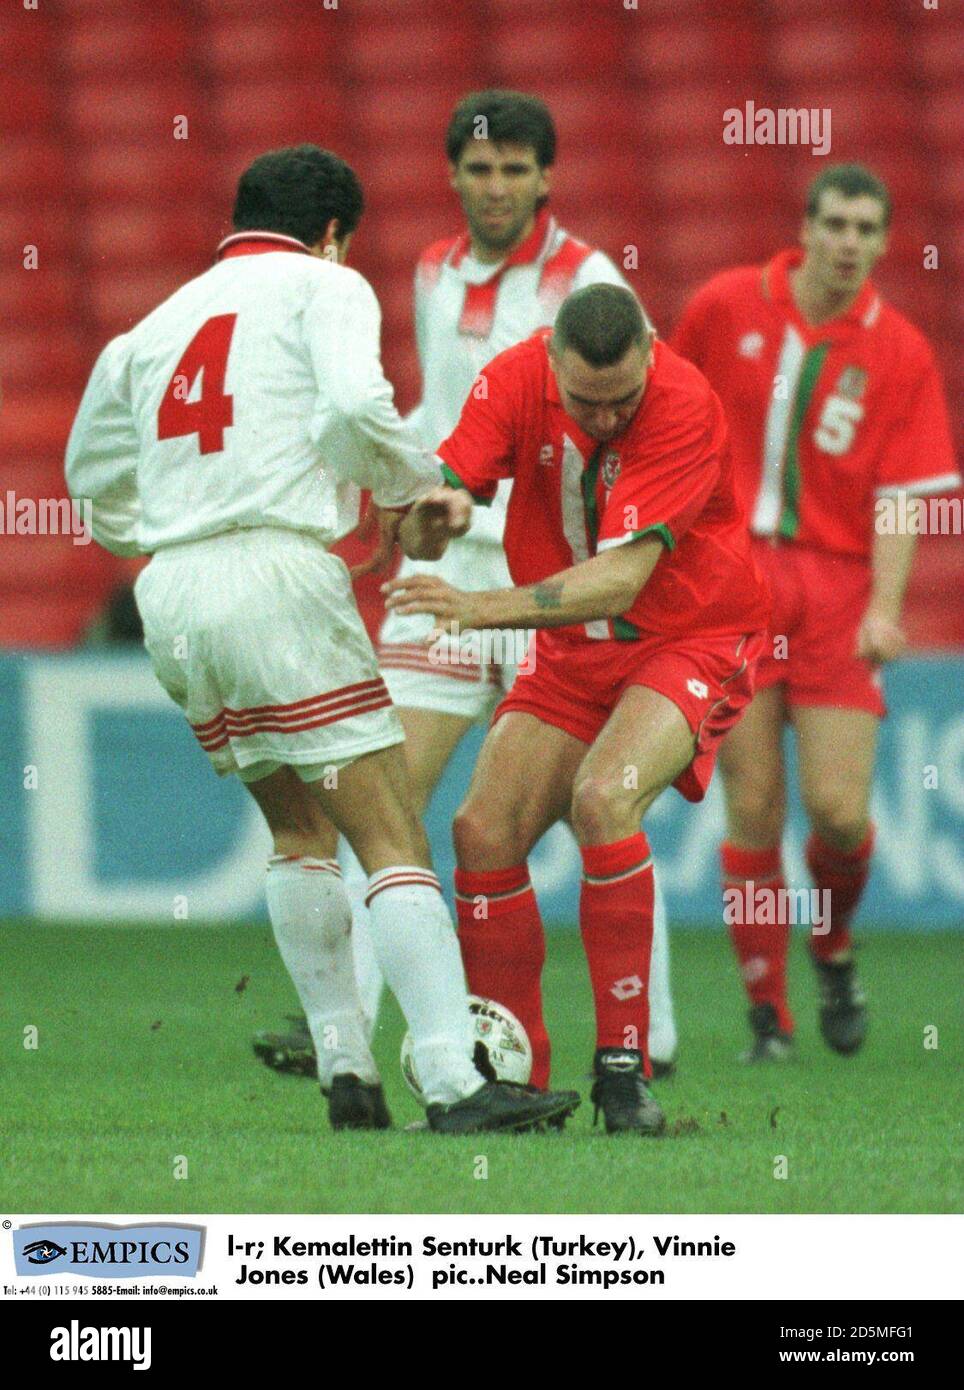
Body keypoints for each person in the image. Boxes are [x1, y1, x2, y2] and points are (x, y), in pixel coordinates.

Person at [65, 143, 579, 1136]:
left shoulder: (152, 325)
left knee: (296, 829)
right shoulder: (323, 287)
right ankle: (452, 1079)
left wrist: (167, 531)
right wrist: (408, 486)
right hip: (277, 576)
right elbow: (351, 404)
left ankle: (347, 1073)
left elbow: (91, 475)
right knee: (389, 831)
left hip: (174, 591)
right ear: (335, 232)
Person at [254, 90, 679, 1085]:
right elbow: (439, 409)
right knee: (384, 796)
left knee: (595, 806)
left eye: (515, 169)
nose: (496, 186)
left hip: (549, 587)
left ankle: (646, 1034)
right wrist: (389, 506)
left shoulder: (592, 278)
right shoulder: (430, 270)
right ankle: (347, 1027)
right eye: (479, 169)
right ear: (452, 175)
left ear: (547, 178)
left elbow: (629, 414)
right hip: (445, 574)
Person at [384, 283, 770, 1133]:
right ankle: (514, 1080)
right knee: (481, 830)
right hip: (575, 650)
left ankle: (624, 1076)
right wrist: (434, 518)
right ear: (551, 360)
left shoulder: (684, 405)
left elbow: (621, 578)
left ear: (650, 353)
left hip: (692, 636)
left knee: (604, 797)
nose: (602, 419)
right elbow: (424, 516)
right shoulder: (513, 378)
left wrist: (483, 607)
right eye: (585, 402)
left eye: (620, 400)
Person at [670, 163, 959, 1061]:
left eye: (867, 230)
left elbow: (905, 494)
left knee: (837, 813)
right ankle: (770, 1017)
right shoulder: (726, 305)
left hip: (836, 595)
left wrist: (885, 606)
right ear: (805, 226)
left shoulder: (899, 349)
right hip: (734, 585)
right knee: (753, 808)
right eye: (835, 223)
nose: (849, 243)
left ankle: (832, 947)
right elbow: (668, 418)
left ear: (881, 242)